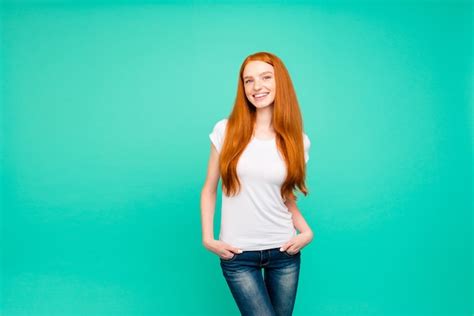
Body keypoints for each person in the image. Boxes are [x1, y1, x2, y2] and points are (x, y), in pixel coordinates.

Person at [200, 51, 314, 316]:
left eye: (265, 77)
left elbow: (285, 196)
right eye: (248, 80)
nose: (257, 86)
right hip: (239, 255)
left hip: (284, 252)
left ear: (280, 82)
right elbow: (209, 188)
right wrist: (208, 238)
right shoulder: (225, 130)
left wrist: (306, 232)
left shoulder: (299, 141)